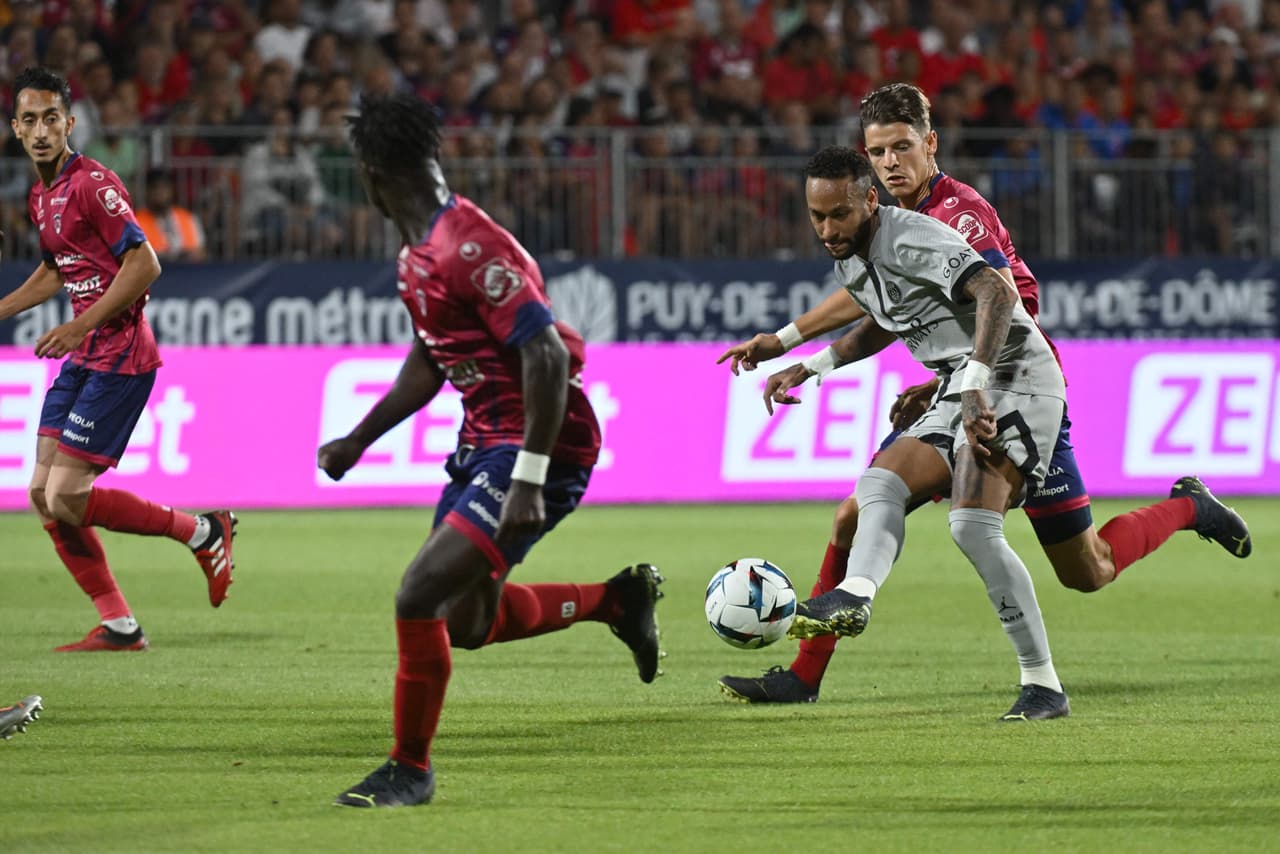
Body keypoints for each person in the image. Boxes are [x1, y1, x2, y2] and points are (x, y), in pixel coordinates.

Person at [717, 83, 1253, 706]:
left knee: (1087, 568)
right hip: (960, 383)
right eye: (877, 150)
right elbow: (883, 306)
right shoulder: (870, 225)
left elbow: (1006, 298)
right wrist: (797, 353)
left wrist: (963, 377)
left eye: (901, 147)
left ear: (931, 145)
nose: (891, 162)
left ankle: (1187, 508)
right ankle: (808, 670)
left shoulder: (956, 215)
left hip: (1011, 384)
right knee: (859, 508)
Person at [320, 92, 664, 809]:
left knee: (418, 593)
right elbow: (430, 356)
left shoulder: (468, 246)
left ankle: (409, 768)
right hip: (482, 444)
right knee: (465, 624)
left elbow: (543, 354)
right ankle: (614, 601)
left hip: (541, 445)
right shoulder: (417, 256)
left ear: (372, 173)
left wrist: (530, 482)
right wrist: (360, 437)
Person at [726, 145, 1072, 720]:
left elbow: (996, 290)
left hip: (1016, 376)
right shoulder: (853, 259)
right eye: (817, 217)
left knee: (972, 527)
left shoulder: (912, 237)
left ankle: (1043, 684)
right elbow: (882, 324)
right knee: (878, 485)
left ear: (869, 200)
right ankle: (855, 596)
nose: (828, 229)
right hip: (959, 380)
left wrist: (975, 384)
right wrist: (809, 365)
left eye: (839, 214)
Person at [0, 67, 237, 652]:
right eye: (28, 120)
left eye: (50, 118)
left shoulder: (92, 184)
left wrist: (79, 323)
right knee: (41, 494)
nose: (40, 130)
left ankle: (201, 530)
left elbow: (145, 264)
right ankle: (119, 624)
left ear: (69, 123)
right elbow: (58, 270)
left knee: (66, 497)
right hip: (85, 355)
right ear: (15, 128)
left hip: (120, 354)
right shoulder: (42, 193)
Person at [134, 169, 208, 262]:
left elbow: (202, 252)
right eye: (155, 188)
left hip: (189, 272)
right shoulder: (136, 222)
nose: (160, 193)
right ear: (147, 192)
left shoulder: (188, 218)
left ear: (172, 190)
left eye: (164, 188)